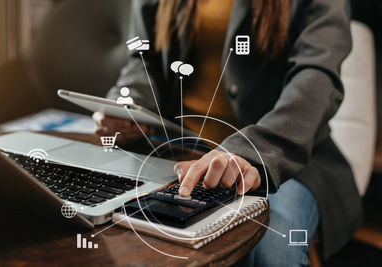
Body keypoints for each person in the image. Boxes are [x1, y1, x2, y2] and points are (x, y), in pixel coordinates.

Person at [93, 0, 362, 265]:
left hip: (283, 152)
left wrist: (250, 149)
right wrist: (125, 105)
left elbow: (316, 78)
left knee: (272, 254)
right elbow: (144, 60)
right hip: (179, 147)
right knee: (100, 215)